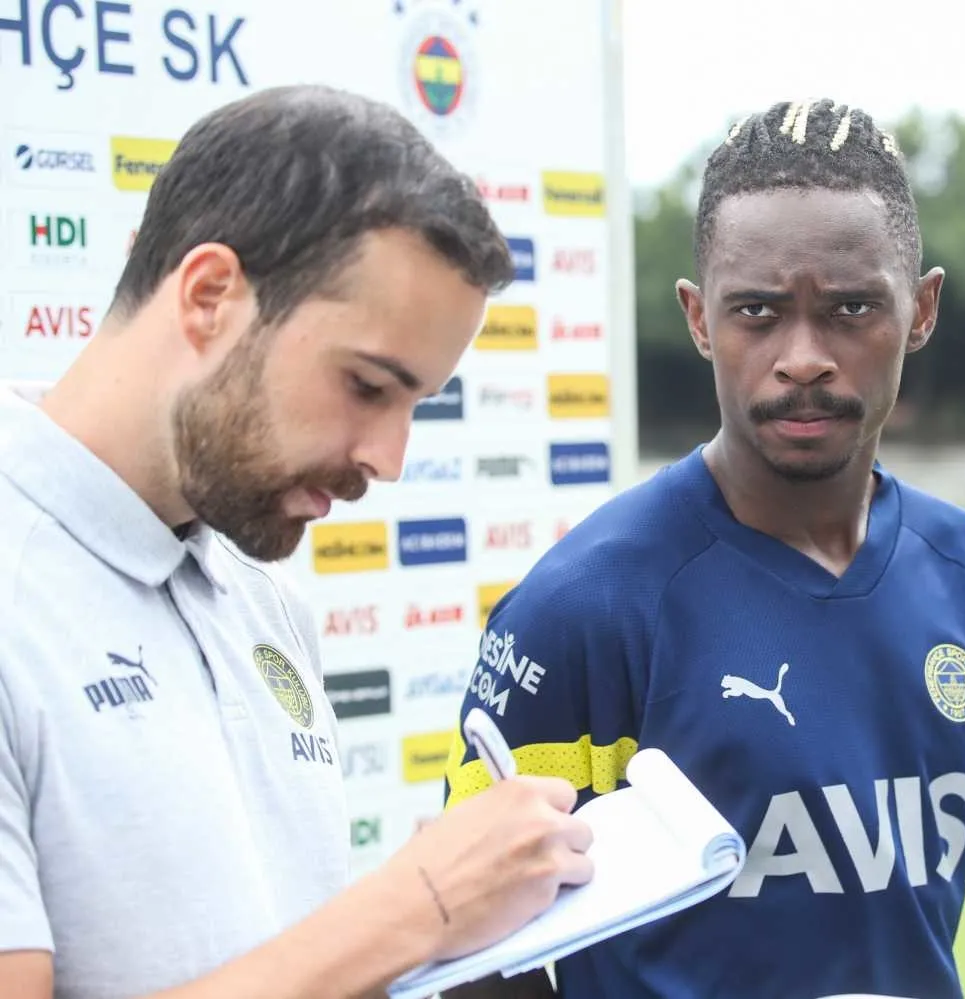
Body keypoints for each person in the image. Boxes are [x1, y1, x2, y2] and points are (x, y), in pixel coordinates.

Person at [0, 84, 595, 999]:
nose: (389, 460)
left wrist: (442, 944)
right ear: (208, 297)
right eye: (366, 386)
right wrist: (419, 906)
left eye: (414, 406)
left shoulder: (260, 594)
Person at [441, 99, 965, 999]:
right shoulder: (584, 607)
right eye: (757, 311)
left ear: (923, 309)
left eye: (851, 308)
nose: (803, 357)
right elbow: (474, 962)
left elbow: (925, 891)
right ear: (700, 318)